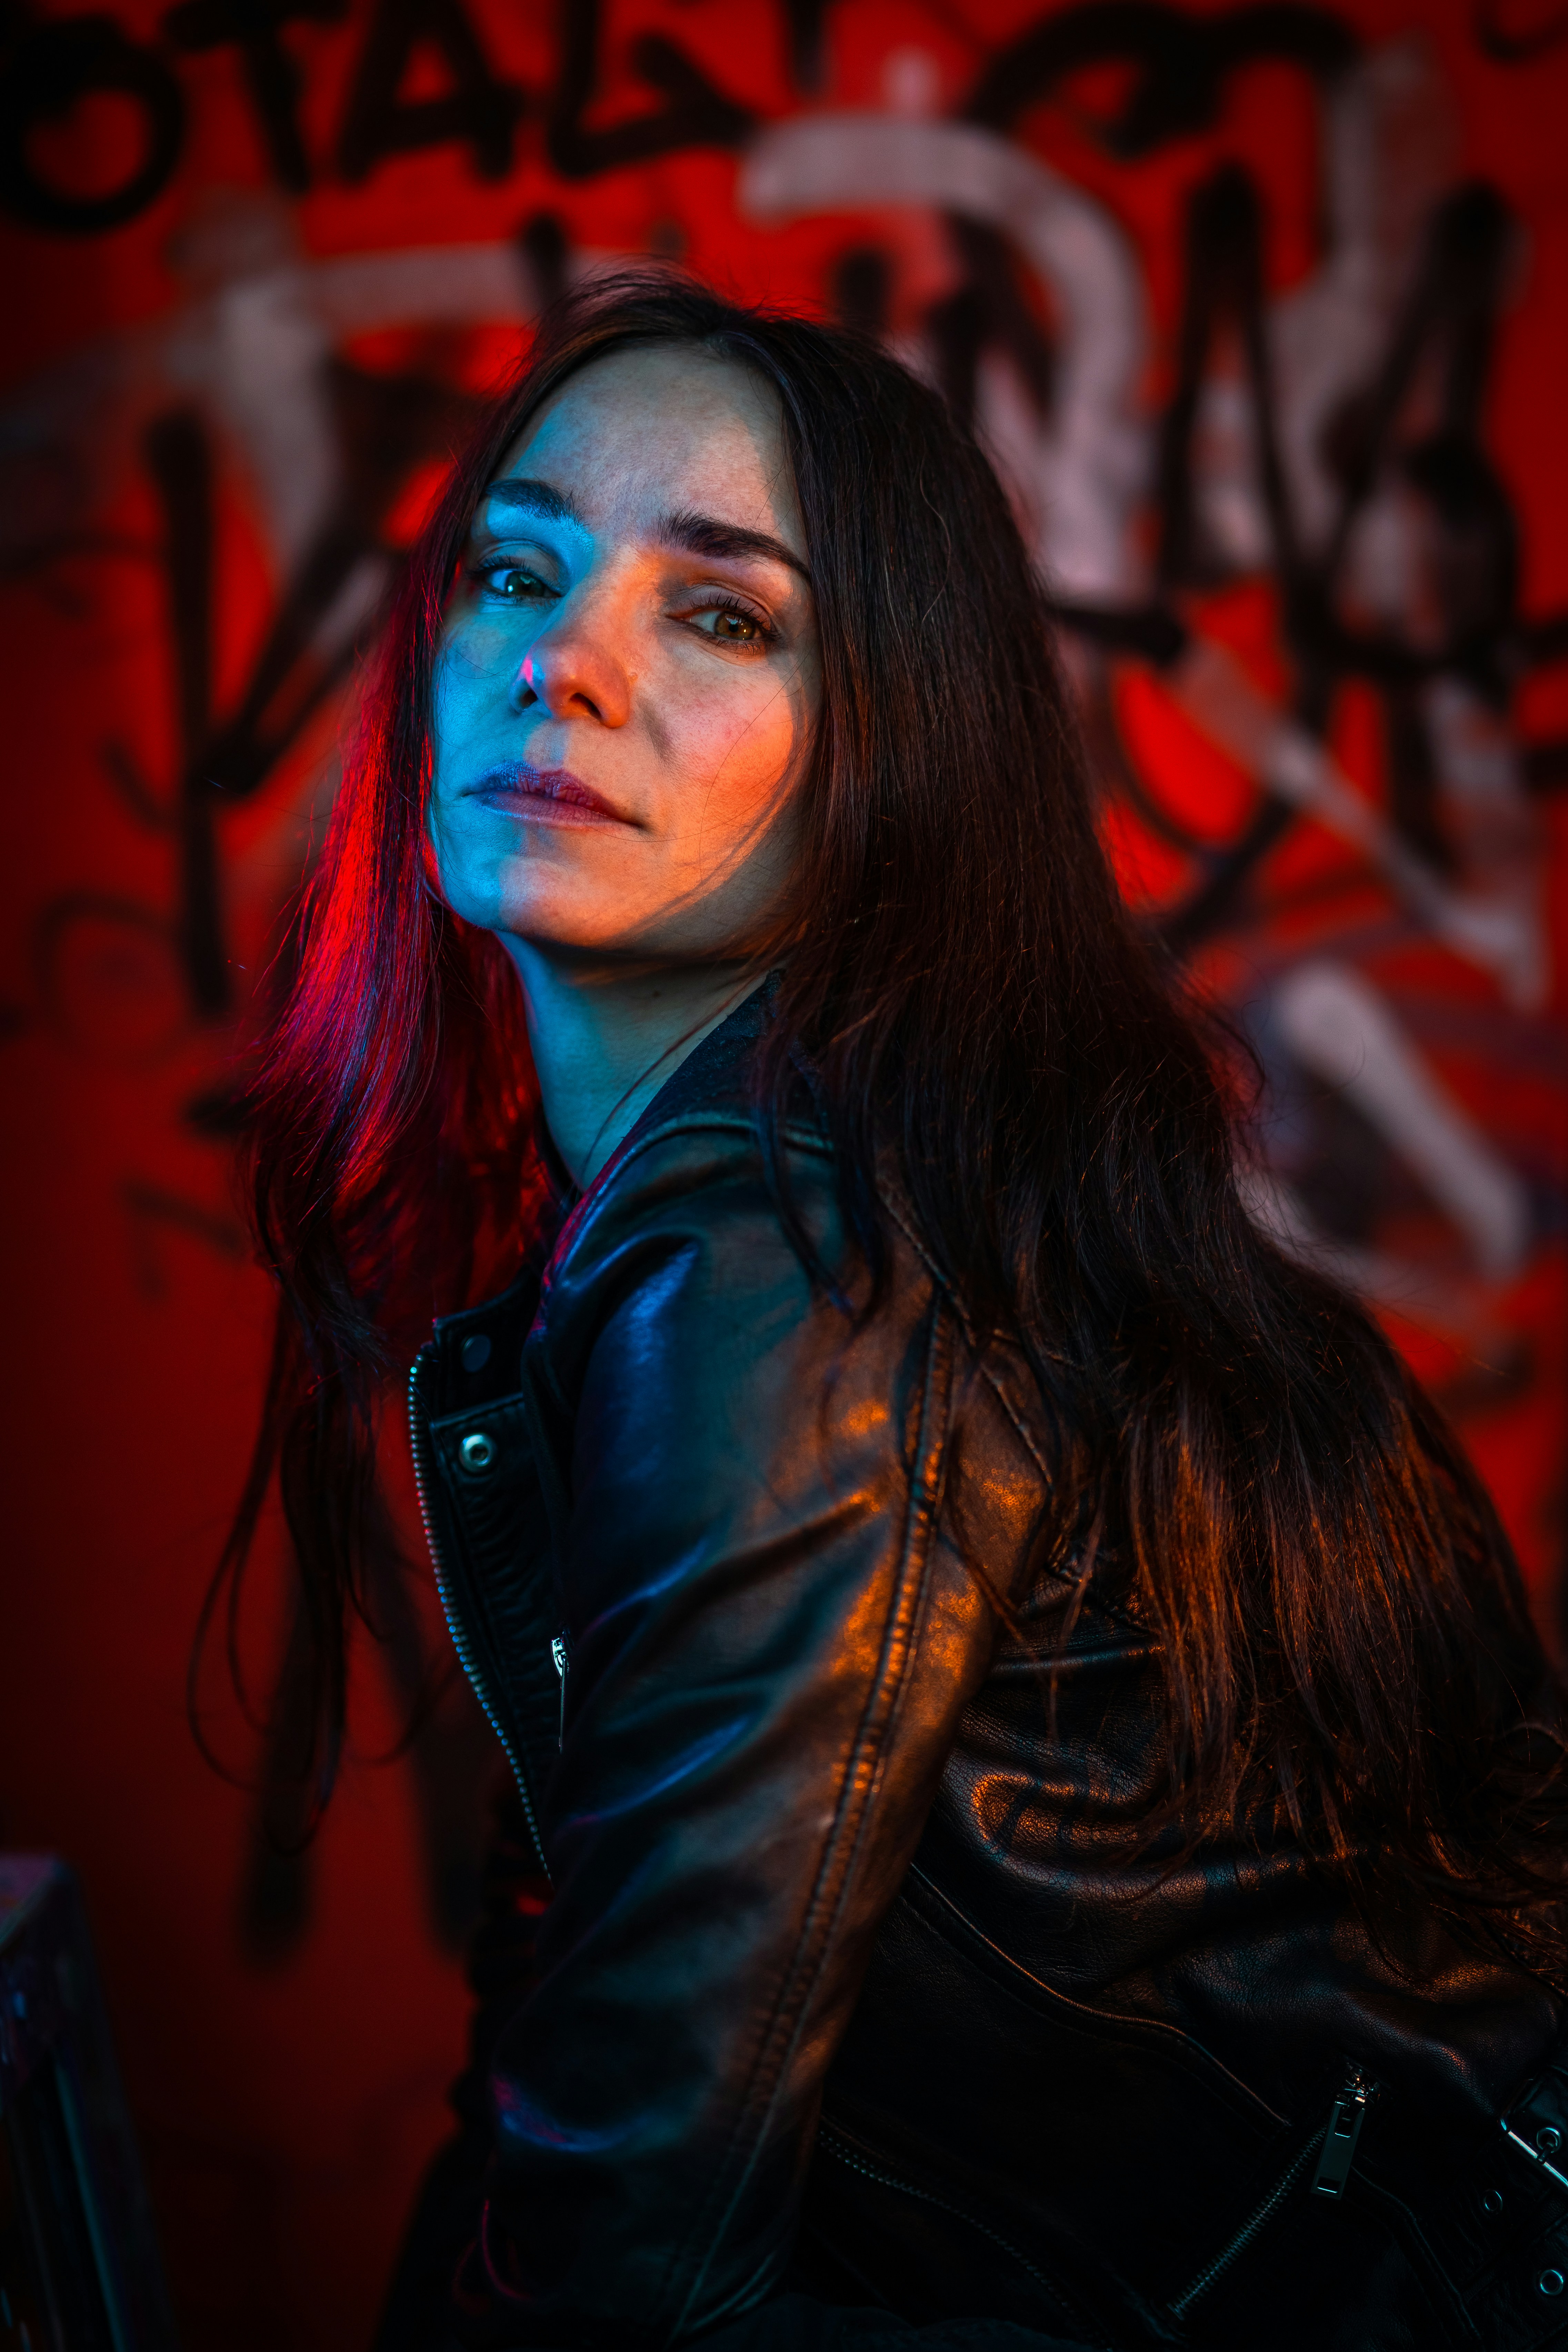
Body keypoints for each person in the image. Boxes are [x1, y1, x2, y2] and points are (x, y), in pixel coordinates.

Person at [226, 274, 1568, 2351]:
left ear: (888, 746)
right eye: (519, 571)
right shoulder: (882, 1173)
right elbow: (567, 2049)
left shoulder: (787, 1237)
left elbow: (624, 2251)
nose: (560, 669)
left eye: (723, 615)